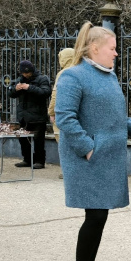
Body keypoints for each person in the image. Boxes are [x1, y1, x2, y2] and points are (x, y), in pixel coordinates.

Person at [55, 21, 131, 261]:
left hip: (107, 158)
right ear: (94, 48)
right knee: (95, 216)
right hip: (88, 160)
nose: (116, 53)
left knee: (99, 217)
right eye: (112, 48)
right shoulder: (73, 76)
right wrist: (88, 149)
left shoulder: (108, 76)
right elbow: (65, 118)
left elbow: (113, 117)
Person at [7, 59, 51, 169]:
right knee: (23, 139)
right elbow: (10, 93)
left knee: (38, 140)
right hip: (23, 116)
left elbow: (45, 93)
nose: (26, 75)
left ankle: (40, 161)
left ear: (32, 71)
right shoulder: (20, 80)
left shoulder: (42, 79)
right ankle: (27, 159)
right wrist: (15, 89)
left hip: (38, 116)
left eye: (28, 73)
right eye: (24, 73)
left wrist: (29, 87)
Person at [48, 48, 75, 179]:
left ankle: (67, 171)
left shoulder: (63, 73)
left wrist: (51, 112)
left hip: (63, 113)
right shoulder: (81, 70)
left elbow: (55, 94)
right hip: (76, 114)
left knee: (64, 143)